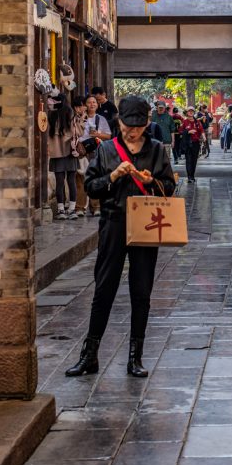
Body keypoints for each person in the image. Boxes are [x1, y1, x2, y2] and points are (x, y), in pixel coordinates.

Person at [65, 95, 176, 379]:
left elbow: (169, 188)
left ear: (147, 123)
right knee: (104, 289)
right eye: (128, 125)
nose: (132, 131)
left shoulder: (156, 150)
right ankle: (89, 355)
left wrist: (152, 181)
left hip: (145, 223)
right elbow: (91, 187)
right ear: (119, 122)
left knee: (141, 292)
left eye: (138, 126)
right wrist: (112, 177)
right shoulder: (106, 150)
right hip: (113, 223)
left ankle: (135, 357)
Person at [48, 90, 85, 220]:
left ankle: (60, 210)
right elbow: (78, 133)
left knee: (59, 182)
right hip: (70, 152)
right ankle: (72, 209)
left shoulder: (50, 115)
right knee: (71, 181)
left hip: (56, 153)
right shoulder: (71, 114)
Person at [80, 95, 112, 216]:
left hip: (96, 150)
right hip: (82, 151)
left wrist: (97, 134)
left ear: (97, 105)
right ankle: (80, 207)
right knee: (81, 178)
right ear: (85, 104)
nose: (92, 104)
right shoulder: (81, 118)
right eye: (89, 102)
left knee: (95, 178)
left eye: (94, 102)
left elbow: (108, 136)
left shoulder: (101, 119)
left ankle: (96, 206)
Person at [179, 106, 203, 183]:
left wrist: (204, 137)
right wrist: (188, 132)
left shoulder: (197, 122)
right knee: (188, 160)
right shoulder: (184, 122)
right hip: (187, 144)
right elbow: (180, 131)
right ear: (187, 113)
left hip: (196, 144)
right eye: (189, 111)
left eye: (192, 111)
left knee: (194, 161)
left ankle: (192, 176)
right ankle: (189, 177)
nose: (191, 112)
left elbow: (201, 131)